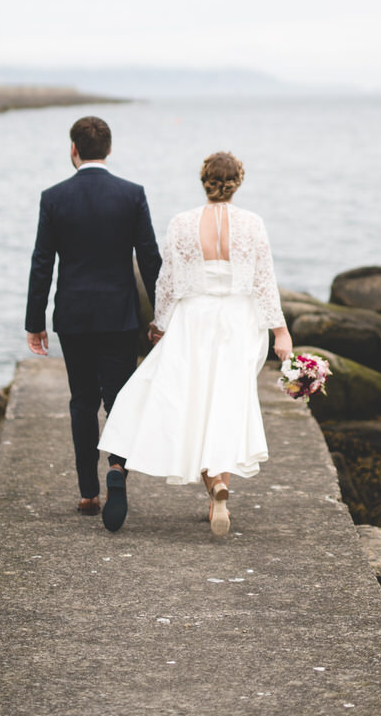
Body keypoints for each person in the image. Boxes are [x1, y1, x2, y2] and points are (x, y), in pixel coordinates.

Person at [98, 151, 292, 536]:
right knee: (225, 400)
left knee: (191, 399)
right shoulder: (252, 224)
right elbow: (264, 282)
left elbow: (166, 282)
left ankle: (200, 482)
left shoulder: (182, 223)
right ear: (238, 181)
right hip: (238, 320)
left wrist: (160, 323)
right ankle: (218, 488)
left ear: (204, 180)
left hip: (195, 317)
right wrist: (280, 332)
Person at [25, 115, 162, 532]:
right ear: (109, 149)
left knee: (82, 400)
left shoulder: (54, 198)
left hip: (73, 315)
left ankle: (88, 492)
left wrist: (35, 321)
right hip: (120, 316)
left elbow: (42, 263)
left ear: (74, 150)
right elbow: (151, 259)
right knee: (119, 399)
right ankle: (118, 467)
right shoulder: (131, 194)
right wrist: (161, 315)